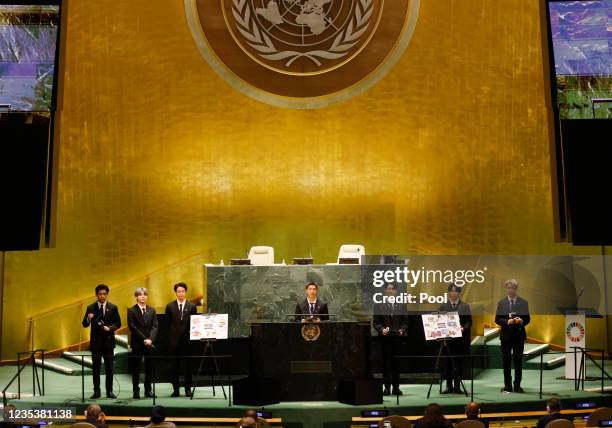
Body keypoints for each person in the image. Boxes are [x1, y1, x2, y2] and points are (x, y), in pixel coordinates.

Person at [81, 284, 121, 399]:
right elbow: (84, 324)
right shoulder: (90, 307)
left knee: (109, 369)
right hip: (96, 344)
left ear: (107, 294)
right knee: (96, 368)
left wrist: (110, 328)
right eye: (100, 294)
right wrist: (88, 318)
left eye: (104, 294)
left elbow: (118, 323)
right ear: (96, 295)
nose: (102, 296)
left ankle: (109, 391)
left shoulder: (113, 307)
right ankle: (97, 392)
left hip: (108, 343)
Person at [373, 283, 409, 396]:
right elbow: (376, 323)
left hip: (398, 339)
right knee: (386, 364)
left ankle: (396, 388)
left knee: (397, 364)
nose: (391, 291)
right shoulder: (379, 305)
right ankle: (387, 388)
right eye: (389, 289)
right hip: (385, 339)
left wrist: (402, 330)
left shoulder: (402, 305)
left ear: (396, 291)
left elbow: (405, 322)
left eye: (393, 289)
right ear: (385, 291)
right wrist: (382, 329)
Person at [495, 279, 530, 393]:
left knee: (518, 362)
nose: (511, 290)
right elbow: (497, 319)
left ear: (516, 289)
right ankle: (507, 386)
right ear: (506, 288)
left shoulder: (524, 302)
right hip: (506, 337)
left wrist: (521, 321)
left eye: (513, 288)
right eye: (509, 288)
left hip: (519, 336)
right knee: (506, 362)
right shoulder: (501, 303)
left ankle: (517, 386)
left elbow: (528, 319)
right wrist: (507, 322)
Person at [164, 282, 197, 397]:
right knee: (174, 366)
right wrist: (169, 341)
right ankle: (176, 390)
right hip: (174, 342)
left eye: (183, 291)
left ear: (185, 292)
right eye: (179, 291)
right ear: (176, 293)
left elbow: (194, 324)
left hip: (187, 342)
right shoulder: (170, 306)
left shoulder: (192, 306)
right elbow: (167, 326)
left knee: (187, 366)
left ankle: (188, 389)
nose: (181, 293)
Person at [438, 283, 472, 394]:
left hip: (460, 341)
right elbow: (439, 322)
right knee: (447, 363)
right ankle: (448, 386)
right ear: (448, 293)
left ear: (459, 293)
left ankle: (457, 386)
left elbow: (469, 322)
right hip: (448, 341)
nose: (453, 293)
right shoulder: (443, 306)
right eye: (451, 291)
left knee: (459, 363)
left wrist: (463, 328)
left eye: (456, 291)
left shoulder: (465, 306)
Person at [128, 287, 158, 399]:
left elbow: (155, 326)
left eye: (145, 294)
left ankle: (148, 390)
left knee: (149, 367)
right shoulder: (131, 310)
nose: (143, 296)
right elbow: (133, 327)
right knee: (136, 368)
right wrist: (144, 339)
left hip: (149, 343)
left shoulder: (152, 310)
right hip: (137, 344)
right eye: (140, 295)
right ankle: (136, 391)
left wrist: (150, 339)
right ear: (136, 297)